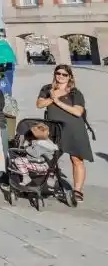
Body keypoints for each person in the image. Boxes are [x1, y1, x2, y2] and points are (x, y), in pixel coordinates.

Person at [37, 65, 93, 202]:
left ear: (69, 77)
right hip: (54, 128)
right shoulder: (47, 89)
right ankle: (44, 183)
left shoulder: (75, 93)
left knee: (76, 159)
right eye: (58, 73)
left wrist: (57, 101)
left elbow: (77, 112)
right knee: (49, 158)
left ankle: (78, 190)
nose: (60, 76)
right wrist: (53, 98)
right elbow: (39, 104)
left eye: (64, 74)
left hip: (74, 128)